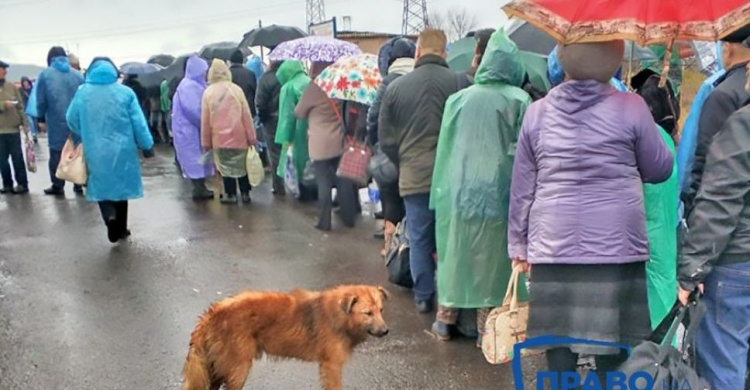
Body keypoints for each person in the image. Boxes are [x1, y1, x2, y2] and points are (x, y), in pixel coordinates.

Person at [507, 40, 673, 385]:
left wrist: (518, 247)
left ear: (563, 59)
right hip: (616, 249)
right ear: (613, 59)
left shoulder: (537, 112)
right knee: (614, 350)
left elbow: (522, 187)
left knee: (557, 348)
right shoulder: (632, 107)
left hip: (554, 247)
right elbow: (659, 169)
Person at [430, 30, 531, 341]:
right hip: (499, 193)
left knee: (457, 254)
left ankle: (445, 321)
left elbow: (444, 149)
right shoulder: (519, 99)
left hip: (457, 191)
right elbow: (524, 153)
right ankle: (488, 330)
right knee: (492, 263)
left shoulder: (457, 100)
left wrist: (440, 194)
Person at [678, 60, 750, 390]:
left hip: (738, 261)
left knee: (724, 362)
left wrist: (691, 272)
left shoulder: (744, 125)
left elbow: (720, 201)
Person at [379, 29, 460, 313]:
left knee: (420, 239)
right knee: (451, 239)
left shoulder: (396, 88)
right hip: (452, 179)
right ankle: (451, 301)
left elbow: (385, 139)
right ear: (445, 52)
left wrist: (405, 162)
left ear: (418, 51)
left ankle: (424, 297)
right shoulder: (460, 83)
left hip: (414, 178)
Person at [65, 57, 154, 243]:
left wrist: (85, 132)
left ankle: (110, 219)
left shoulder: (83, 93)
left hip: (95, 148)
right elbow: (138, 122)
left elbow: (71, 118)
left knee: (100, 187)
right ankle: (122, 228)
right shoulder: (125, 93)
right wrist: (146, 145)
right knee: (121, 188)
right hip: (123, 149)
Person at [683, 25, 750, 214]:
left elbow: (706, 157)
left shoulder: (722, 95)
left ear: (729, 48)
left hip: (727, 209)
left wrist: (693, 208)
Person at [631, 69, 680, 327]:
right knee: (664, 295)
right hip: (666, 234)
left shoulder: (641, 139)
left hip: (644, 235)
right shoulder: (668, 141)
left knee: (649, 308)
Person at [294, 64, 357, 231]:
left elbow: (298, 112)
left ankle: (324, 221)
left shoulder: (314, 87)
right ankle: (349, 218)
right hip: (339, 139)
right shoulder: (339, 84)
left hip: (320, 143)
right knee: (343, 180)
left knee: (323, 181)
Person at [367, 38, 416, 254]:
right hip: (418, 151)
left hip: (391, 150)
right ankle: (410, 244)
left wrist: (375, 142)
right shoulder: (420, 77)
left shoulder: (388, 82)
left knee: (391, 195)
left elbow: (373, 116)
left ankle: (390, 248)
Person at [201, 59, 257, 204]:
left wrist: (205, 142)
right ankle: (245, 193)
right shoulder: (236, 89)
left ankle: (230, 194)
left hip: (219, 138)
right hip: (239, 136)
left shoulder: (208, 93)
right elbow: (246, 115)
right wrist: (251, 137)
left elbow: (205, 121)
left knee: (226, 168)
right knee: (242, 165)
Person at [35, 46, 84, 196]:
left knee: (56, 152)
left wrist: (41, 118)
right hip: (78, 120)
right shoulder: (78, 75)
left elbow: (41, 100)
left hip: (56, 120)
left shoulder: (45, 75)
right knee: (78, 151)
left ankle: (58, 185)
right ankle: (79, 183)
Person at [172, 55, 215, 200]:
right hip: (190, 131)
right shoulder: (189, 86)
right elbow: (194, 110)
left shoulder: (192, 84)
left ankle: (200, 187)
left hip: (191, 130)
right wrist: (206, 123)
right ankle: (198, 189)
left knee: (198, 159)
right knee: (195, 159)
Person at [275, 60, 315, 201]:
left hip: (298, 130)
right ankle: (314, 188)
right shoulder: (310, 82)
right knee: (311, 159)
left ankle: (302, 191)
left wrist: (285, 138)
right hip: (314, 127)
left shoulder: (288, 87)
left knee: (297, 161)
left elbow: (287, 116)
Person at [0, 61, 30, 194]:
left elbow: (20, 107)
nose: (5, 72)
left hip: (13, 130)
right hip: (0, 131)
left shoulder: (12, 87)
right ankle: (7, 184)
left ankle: (23, 184)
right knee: (2, 161)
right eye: (3, 69)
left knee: (17, 158)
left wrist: (25, 124)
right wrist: (3, 105)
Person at [256, 60, 285, 195]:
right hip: (290, 118)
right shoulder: (287, 75)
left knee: (275, 153)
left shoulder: (266, 78)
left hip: (272, 121)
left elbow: (260, 102)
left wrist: (263, 119)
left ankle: (279, 186)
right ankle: (297, 183)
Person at [229, 50, 257, 118]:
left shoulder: (227, 74)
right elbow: (255, 92)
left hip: (231, 112)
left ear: (231, 61)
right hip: (248, 111)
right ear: (242, 61)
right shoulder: (250, 74)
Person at [19, 76, 38, 144]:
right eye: (24, 82)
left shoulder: (32, 88)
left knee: (35, 122)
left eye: (26, 82)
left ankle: (35, 133)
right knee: (30, 121)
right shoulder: (20, 90)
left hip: (33, 108)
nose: (25, 84)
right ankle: (33, 134)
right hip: (26, 108)